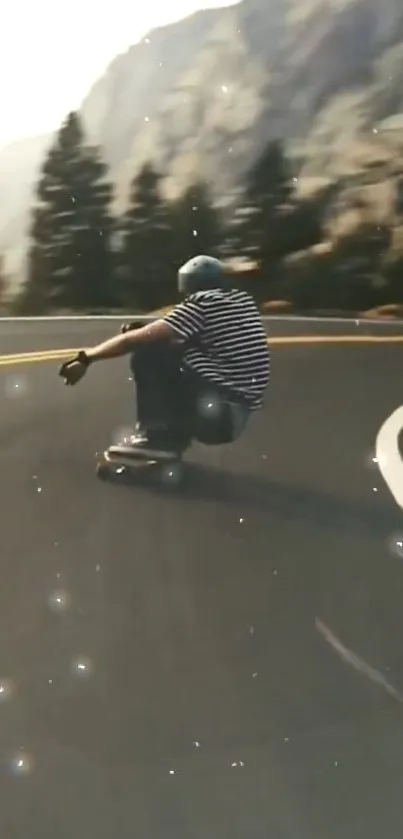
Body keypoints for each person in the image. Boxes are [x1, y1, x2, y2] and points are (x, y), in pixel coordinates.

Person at [59, 255, 270, 458]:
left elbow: (132, 341)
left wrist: (86, 359)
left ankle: (155, 436)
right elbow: (201, 340)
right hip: (235, 417)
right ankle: (173, 435)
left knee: (147, 352)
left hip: (218, 418)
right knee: (167, 350)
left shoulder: (200, 306)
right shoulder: (243, 303)